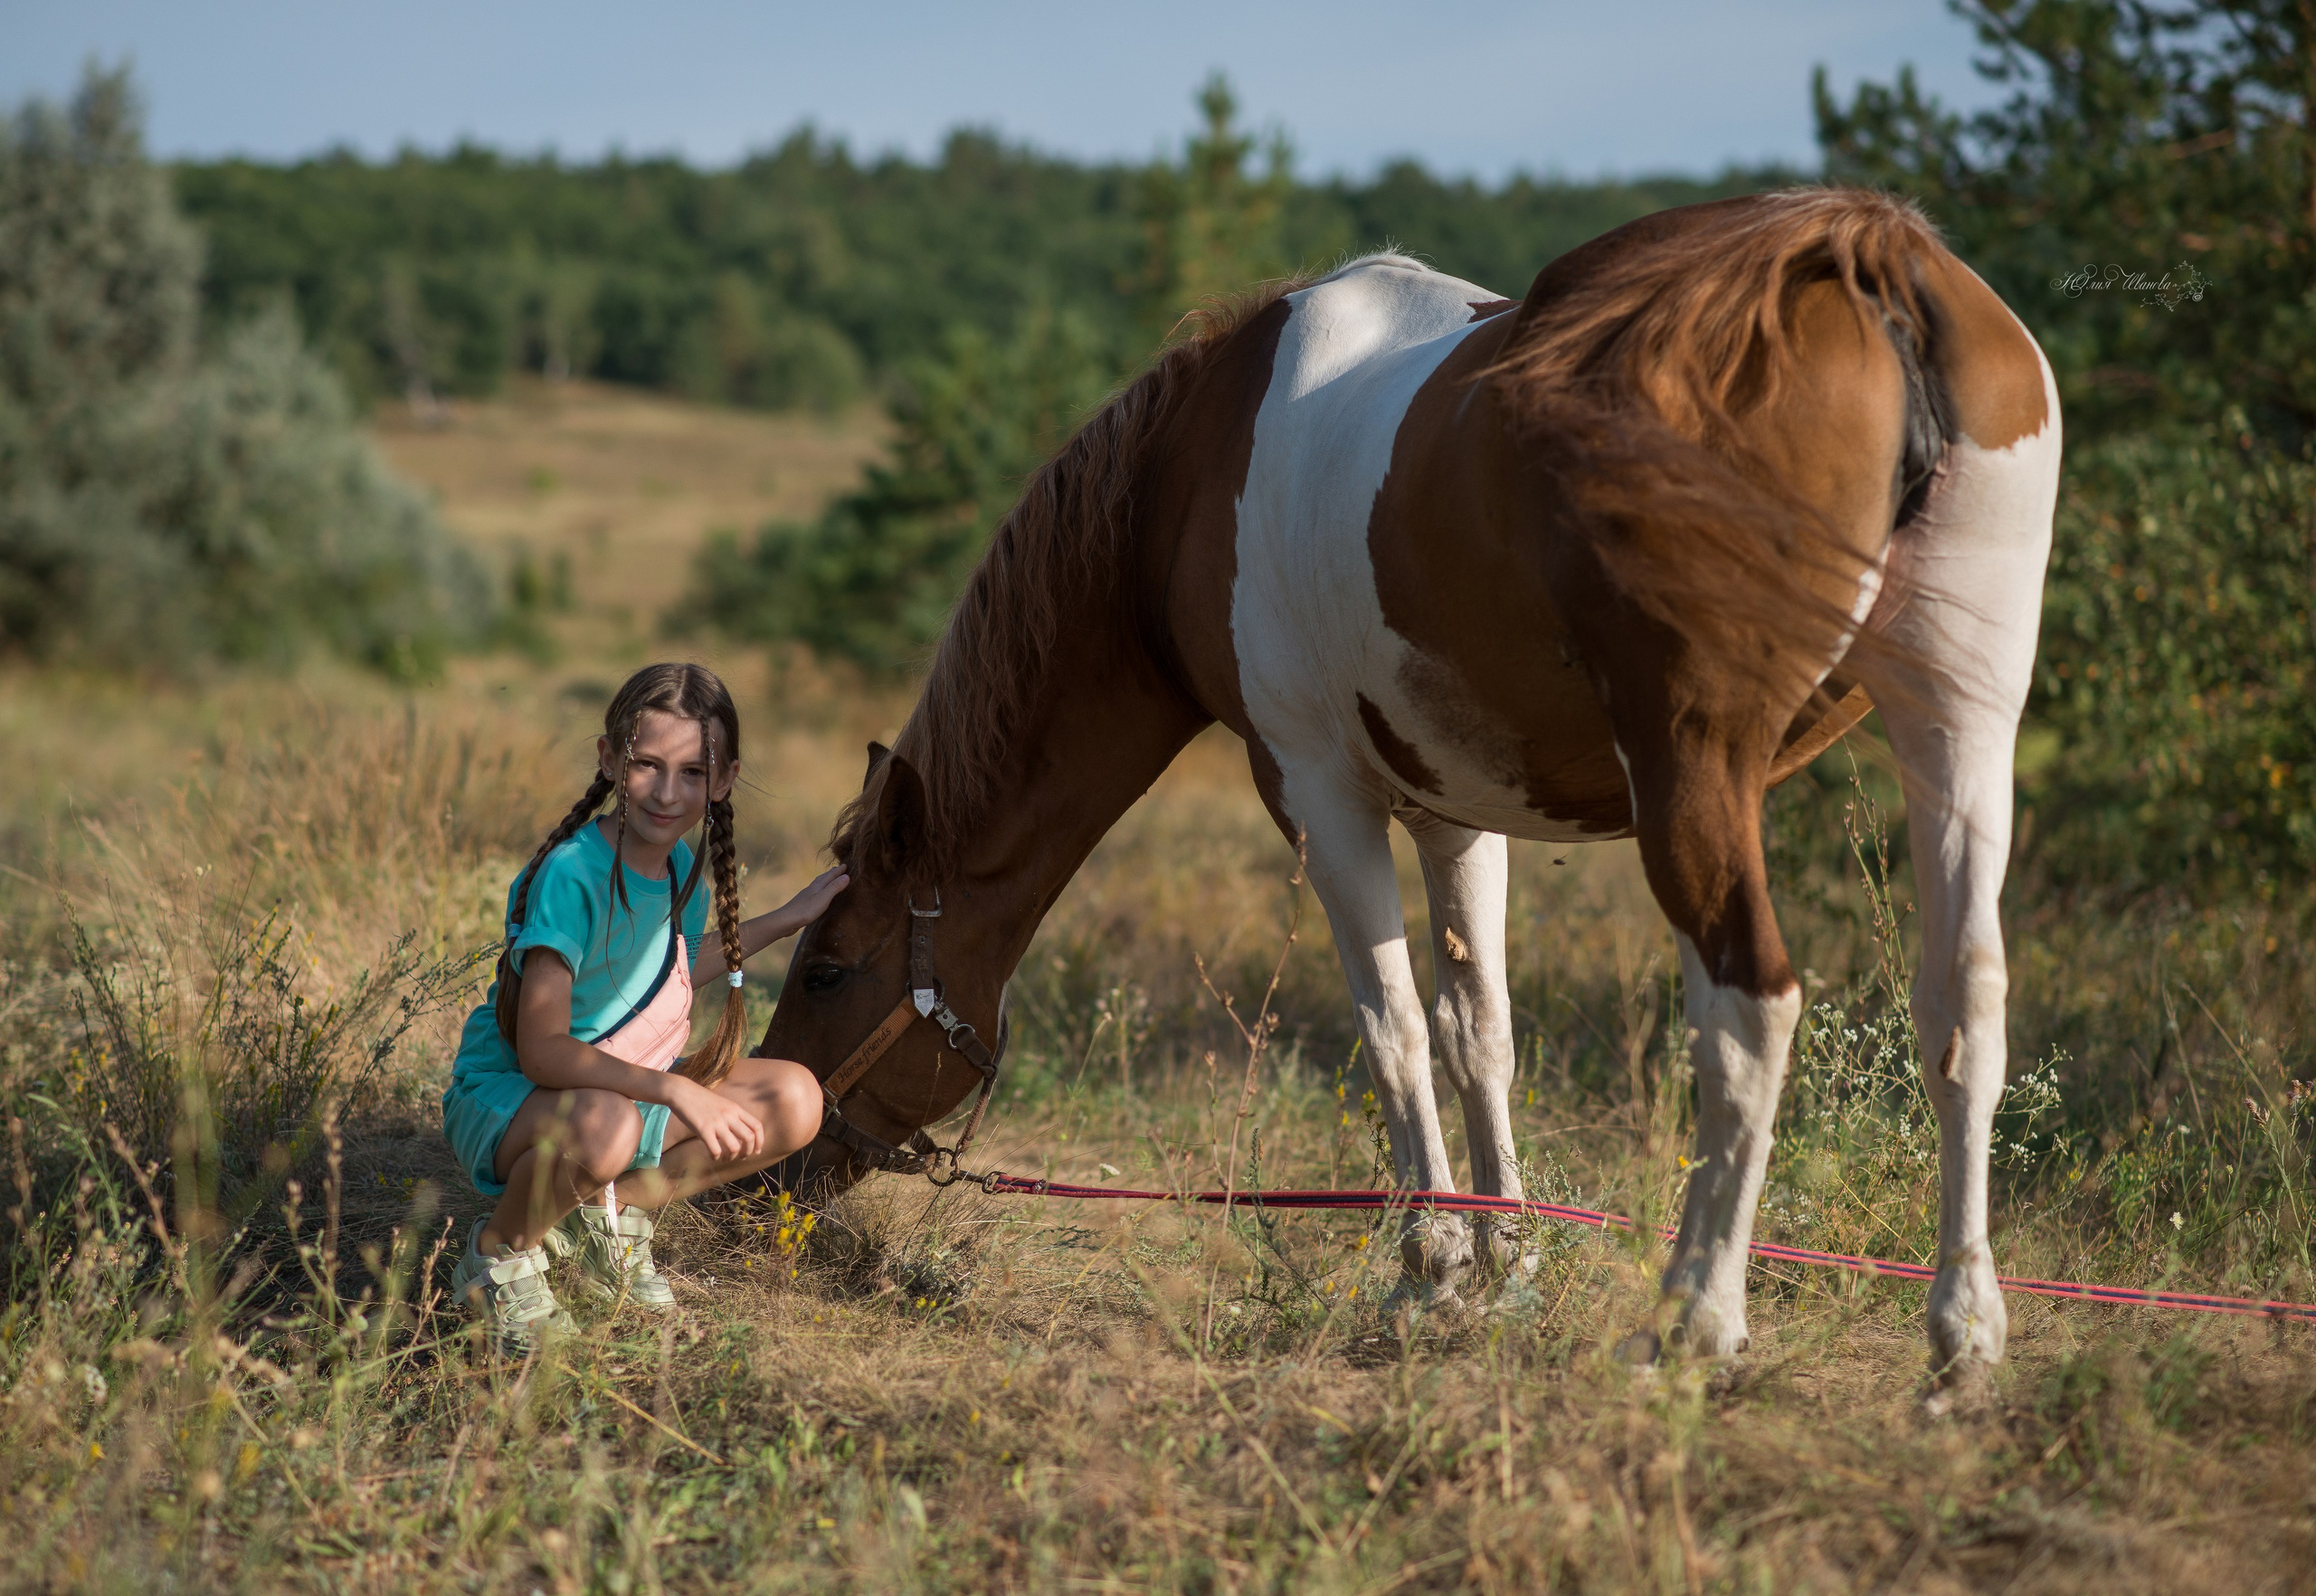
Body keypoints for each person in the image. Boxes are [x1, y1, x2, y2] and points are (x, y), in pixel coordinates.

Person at [441, 662, 847, 1353]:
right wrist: (679, 1093)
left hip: (616, 1096)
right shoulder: (574, 873)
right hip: (517, 1095)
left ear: (723, 781)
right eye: (647, 765)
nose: (668, 792)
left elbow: (677, 970)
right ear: (609, 760)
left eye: (693, 773)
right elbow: (543, 1051)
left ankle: (607, 1216)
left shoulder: (678, 865)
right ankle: (497, 1255)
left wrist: (787, 918)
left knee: (795, 1097)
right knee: (607, 1125)